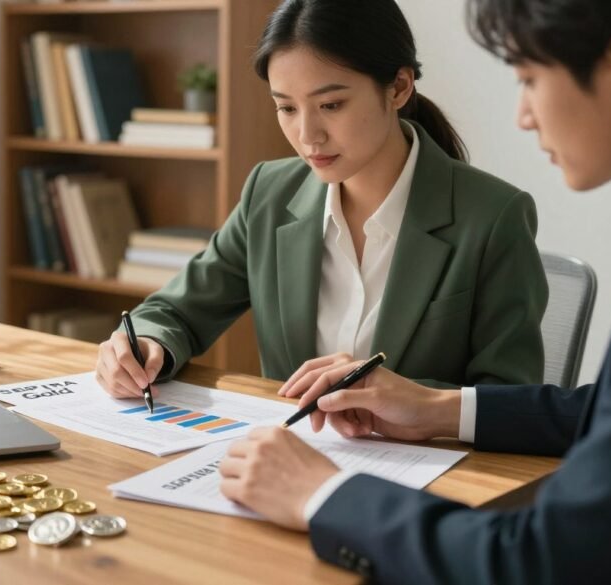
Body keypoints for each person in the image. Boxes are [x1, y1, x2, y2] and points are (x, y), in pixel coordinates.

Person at [218, 0, 611, 582]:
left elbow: (545, 562)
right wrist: (437, 408)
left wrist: (324, 494)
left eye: (529, 79)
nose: (523, 116)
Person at [95, 0, 548, 401]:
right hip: (289, 464)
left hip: (420, 476)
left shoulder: (492, 216)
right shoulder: (269, 194)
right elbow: (176, 310)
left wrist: (410, 399)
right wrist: (145, 345)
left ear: (399, 88)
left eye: (330, 105)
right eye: (287, 108)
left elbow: (509, 398)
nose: (307, 136)